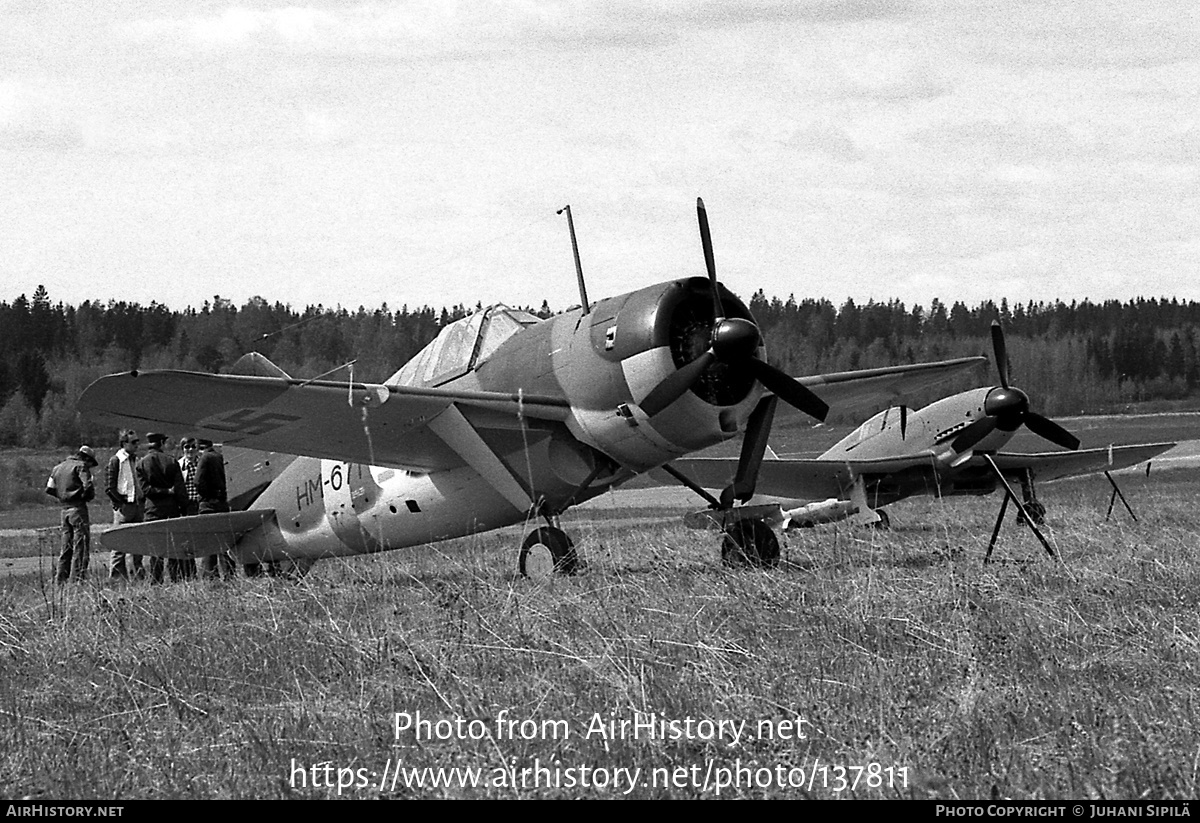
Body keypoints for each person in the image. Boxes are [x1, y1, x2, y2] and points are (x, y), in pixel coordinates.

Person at [135, 432, 187, 584]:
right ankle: (176, 579)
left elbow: (145, 491)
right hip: (171, 510)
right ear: (162, 443)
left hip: (152, 511)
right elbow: (180, 490)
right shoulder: (171, 462)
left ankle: (156, 581)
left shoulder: (141, 464)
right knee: (173, 548)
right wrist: (183, 508)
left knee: (156, 550)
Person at [45, 445, 98, 583]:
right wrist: (84, 496)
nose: (90, 466)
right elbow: (87, 486)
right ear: (86, 458)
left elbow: (49, 488)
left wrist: (63, 496)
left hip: (64, 510)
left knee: (66, 547)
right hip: (78, 508)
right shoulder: (81, 466)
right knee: (81, 546)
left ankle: (60, 579)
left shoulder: (58, 467)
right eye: (90, 463)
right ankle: (77, 579)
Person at [105, 429, 145, 580]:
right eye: (133, 442)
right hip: (125, 507)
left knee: (138, 543)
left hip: (137, 505)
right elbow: (109, 487)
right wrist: (120, 503)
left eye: (137, 441)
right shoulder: (116, 460)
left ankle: (137, 575)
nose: (137, 445)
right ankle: (116, 578)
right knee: (119, 543)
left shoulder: (136, 459)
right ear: (124, 443)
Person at [196, 438, 236, 579]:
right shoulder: (220, 457)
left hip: (209, 505)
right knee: (225, 542)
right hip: (222, 503)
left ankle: (210, 576)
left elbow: (198, 482)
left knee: (209, 543)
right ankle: (229, 574)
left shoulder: (204, 458)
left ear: (198, 445)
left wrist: (206, 496)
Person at [175, 437, 201, 579]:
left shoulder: (202, 462)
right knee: (187, 540)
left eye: (192, 446)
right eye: (186, 447)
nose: (190, 450)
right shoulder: (179, 465)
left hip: (200, 503)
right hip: (186, 505)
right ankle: (190, 573)